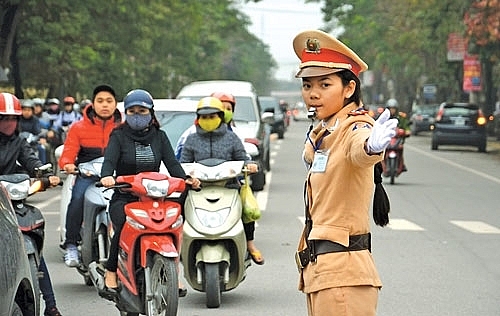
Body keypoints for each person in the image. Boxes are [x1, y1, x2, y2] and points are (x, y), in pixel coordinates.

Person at [292, 29, 398, 316]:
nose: (313, 94)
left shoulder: (356, 127)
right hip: (322, 272)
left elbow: (359, 150)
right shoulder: (325, 132)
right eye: (307, 85)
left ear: (349, 88)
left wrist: (373, 146)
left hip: (343, 275)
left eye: (325, 84)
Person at [99, 89, 201, 295]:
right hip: (126, 196)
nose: (137, 115)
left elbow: (172, 163)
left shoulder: (160, 136)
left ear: (151, 113)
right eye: (133, 111)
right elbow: (109, 161)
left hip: (154, 198)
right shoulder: (118, 135)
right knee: (121, 226)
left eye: (142, 111)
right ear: (126, 113)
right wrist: (107, 176)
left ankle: (174, 271)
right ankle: (111, 271)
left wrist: (185, 180)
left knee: (175, 223)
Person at [179, 96, 265, 265]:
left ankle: (250, 244)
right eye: (204, 117)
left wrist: (250, 165)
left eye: (212, 116)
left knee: (246, 209)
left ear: (221, 117)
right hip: (198, 187)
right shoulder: (191, 139)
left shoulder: (232, 138)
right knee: (177, 207)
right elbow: (184, 162)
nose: (208, 120)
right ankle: (180, 246)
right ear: (198, 119)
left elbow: (243, 157)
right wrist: (187, 178)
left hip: (229, 185)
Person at [0, 92, 63, 316]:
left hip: (13, 203)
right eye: (3, 118)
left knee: (33, 243)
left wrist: (42, 174)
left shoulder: (19, 142)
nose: (8, 123)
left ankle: (51, 304)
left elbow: (31, 160)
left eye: (12, 119)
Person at [58, 84, 122, 267]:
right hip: (87, 175)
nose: (105, 105)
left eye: (109, 101)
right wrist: (68, 164)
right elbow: (68, 152)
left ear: (115, 104)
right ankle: (71, 244)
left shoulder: (123, 128)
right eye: (100, 101)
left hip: (115, 177)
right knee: (76, 198)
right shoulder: (78, 128)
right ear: (92, 104)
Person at [175, 91, 237, 160]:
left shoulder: (236, 134)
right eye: (222, 107)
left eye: (228, 109)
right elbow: (180, 161)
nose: (225, 112)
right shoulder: (191, 133)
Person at [18, 99, 48, 163]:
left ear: (32, 111)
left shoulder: (35, 120)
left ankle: (42, 167)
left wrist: (34, 138)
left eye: (29, 110)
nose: (27, 112)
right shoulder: (18, 119)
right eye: (25, 110)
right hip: (19, 142)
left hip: (33, 143)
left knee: (41, 148)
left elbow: (38, 133)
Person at [385, 98, 410, 172]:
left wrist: (407, 131)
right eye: (390, 109)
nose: (392, 110)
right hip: (387, 139)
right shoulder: (384, 117)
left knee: (400, 149)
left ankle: (401, 164)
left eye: (393, 109)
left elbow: (406, 126)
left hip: (398, 139)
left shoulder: (401, 117)